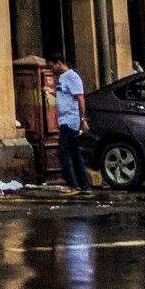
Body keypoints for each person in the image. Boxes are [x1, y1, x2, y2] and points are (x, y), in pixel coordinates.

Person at [50, 53, 92, 192]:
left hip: (71, 120)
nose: (52, 69)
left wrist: (83, 120)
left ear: (60, 63)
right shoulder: (63, 78)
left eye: (53, 66)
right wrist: (51, 92)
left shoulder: (73, 77)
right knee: (74, 153)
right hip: (65, 120)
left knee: (64, 152)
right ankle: (84, 184)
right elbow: (65, 95)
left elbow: (80, 99)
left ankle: (72, 184)